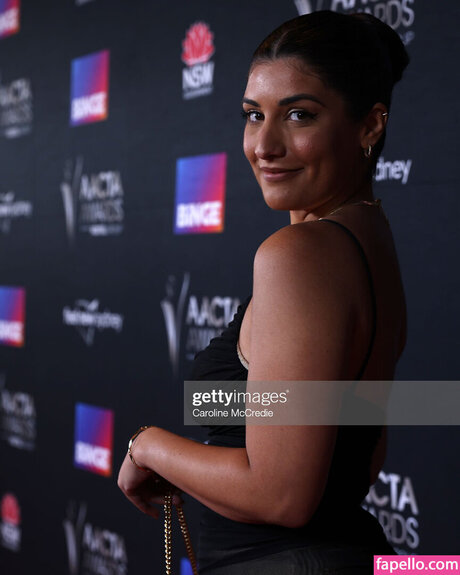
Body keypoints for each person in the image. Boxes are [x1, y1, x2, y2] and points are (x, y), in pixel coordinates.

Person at [118, 10, 409, 574]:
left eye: (299, 114)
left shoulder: (299, 254)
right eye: (254, 115)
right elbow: (359, 450)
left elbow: (282, 495)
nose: (264, 145)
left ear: (370, 126)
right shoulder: (370, 236)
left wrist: (148, 445)